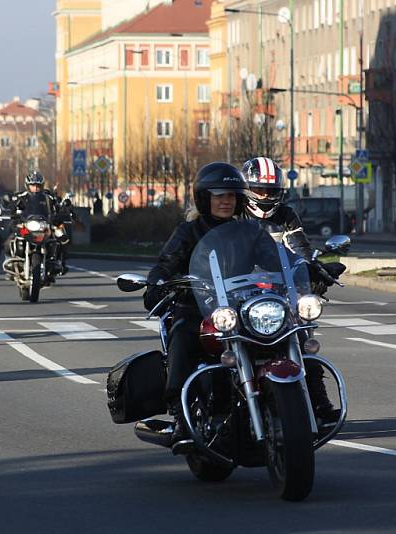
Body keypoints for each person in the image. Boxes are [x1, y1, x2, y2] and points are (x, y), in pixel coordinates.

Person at [144, 162, 249, 443]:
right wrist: (158, 282)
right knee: (181, 333)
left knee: (287, 331)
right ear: (205, 199)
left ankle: (307, 402)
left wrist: (308, 270)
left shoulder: (249, 232)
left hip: (241, 307)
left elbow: (273, 258)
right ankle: (180, 412)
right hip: (199, 306)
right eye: (219, 195)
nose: (226, 201)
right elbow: (166, 263)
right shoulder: (188, 232)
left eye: (231, 196)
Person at [241, 156, 342, 426]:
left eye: (271, 190)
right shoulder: (237, 213)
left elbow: (300, 249)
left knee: (302, 338)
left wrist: (313, 270)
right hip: (240, 291)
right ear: (247, 189)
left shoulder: (285, 215)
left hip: (278, 291)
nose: (265, 195)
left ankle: (319, 403)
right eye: (260, 189)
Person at [7, 171, 61, 281]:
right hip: (26, 226)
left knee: (55, 241)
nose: (35, 188)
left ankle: (54, 264)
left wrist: (59, 216)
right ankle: (11, 261)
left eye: (38, 186)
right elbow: (12, 209)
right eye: (33, 185)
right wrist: (14, 216)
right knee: (11, 239)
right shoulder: (21, 197)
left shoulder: (48, 197)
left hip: (43, 225)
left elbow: (56, 209)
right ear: (28, 186)